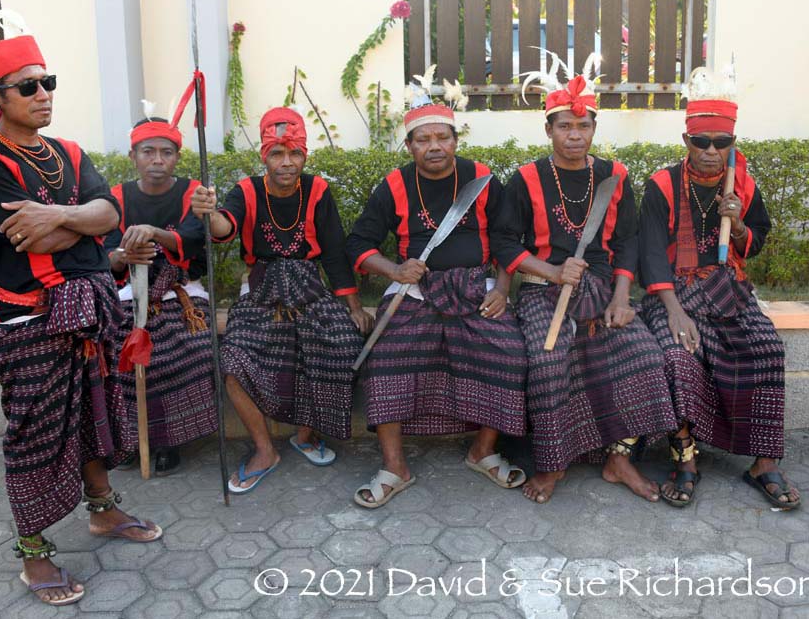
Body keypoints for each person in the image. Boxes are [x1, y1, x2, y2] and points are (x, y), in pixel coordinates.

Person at [0, 2, 160, 607]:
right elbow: (28, 237)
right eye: (28, 86)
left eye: (49, 82)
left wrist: (67, 219)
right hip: (28, 317)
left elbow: (110, 214)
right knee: (35, 433)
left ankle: (102, 511)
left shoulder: (67, 151)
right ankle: (34, 553)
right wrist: (83, 225)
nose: (44, 94)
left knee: (96, 414)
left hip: (89, 307)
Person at [495, 55, 677, 504]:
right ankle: (552, 465)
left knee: (644, 357)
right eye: (564, 127)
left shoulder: (615, 176)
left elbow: (629, 241)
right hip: (543, 292)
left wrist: (621, 298)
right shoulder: (525, 179)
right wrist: (552, 271)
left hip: (600, 290)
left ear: (594, 129)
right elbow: (503, 243)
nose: (574, 136)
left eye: (583, 127)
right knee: (547, 362)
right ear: (548, 130)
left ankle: (619, 459)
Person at [345, 84, 528, 508]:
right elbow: (357, 244)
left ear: (455, 140)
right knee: (385, 358)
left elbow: (506, 240)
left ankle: (482, 451)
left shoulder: (481, 178)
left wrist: (502, 287)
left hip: (476, 288)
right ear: (408, 145)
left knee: (510, 351)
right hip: (416, 291)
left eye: (442, 137)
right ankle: (395, 467)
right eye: (423, 139)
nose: (435, 147)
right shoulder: (392, 186)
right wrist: (394, 269)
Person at [638, 67, 798, 509]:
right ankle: (686, 459)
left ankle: (763, 463)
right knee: (676, 356)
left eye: (721, 143)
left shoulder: (743, 183)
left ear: (732, 142)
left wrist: (741, 224)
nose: (711, 151)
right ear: (686, 141)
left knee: (767, 347)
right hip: (674, 293)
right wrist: (673, 310)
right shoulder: (662, 185)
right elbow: (650, 253)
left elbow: (757, 241)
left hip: (729, 291)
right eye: (701, 141)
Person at [191, 106, 373, 494]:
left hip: (310, 290)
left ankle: (305, 435)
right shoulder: (247, 190)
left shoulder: (318, 189)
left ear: (304, 155)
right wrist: (210, 215)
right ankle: (263, 449)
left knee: (341, 347)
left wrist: (353, 305)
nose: (287, 163)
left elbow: (334, 251)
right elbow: (226, 226)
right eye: (277, 154)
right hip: (260, 291)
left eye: (295, 154)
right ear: (264, 156)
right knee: (233, 360)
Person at [105, 110, 218, 476]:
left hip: (180, 291)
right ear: (132, 157)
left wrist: (154, 232)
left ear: (177, 157)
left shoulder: (192, 192)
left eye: (166, 152)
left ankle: (170, 439)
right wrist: (123, 256)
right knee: (116, 355)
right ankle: (133, 440)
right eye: (148, 151)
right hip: (127, 292)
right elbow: (102, 254)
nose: (157, 160)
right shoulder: (115, 198)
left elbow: (191, 240)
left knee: (191, 352)